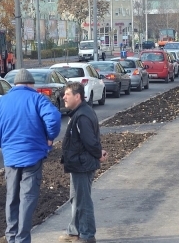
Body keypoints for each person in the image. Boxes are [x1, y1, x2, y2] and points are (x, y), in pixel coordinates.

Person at [0, 69, 62, 243]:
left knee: (11, 197)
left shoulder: (0, 103)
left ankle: (11, 236)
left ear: (16, 84)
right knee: (27, 198)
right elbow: (54, 118)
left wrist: (3, 144)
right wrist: (49, 138)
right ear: (30, 84)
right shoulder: (37, 99)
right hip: (33, 156)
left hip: (11, 158)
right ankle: (22, 238)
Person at [59, 82, 108, 243]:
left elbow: (90, 141)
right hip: (79, 163)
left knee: (83, 200)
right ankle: (75, 231)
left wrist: (98, 154)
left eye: (67, 94)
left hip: (82, 164)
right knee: (76, 198)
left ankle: (87, 235)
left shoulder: (82, 116)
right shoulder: (80, 113)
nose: (64, 97)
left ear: (77, 96)